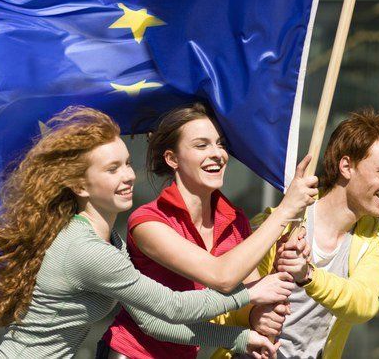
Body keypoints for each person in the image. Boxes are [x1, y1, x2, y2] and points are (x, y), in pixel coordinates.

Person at [0, 106, 296, 358]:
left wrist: (239, 338)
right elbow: (173, 307)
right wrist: (250, 293)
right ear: (80, 186)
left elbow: (154, 323)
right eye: (112, 169)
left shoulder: (112, 244)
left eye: (126, 163)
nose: (128, 176)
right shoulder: (88, 251)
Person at [101, 103, 320, 359]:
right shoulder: (148, 223)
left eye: (220, 144)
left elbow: (248, 293)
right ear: (172, 159)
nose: (217, 154)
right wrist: (285, 210)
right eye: (201, 145)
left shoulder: (234, 220)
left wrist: (257, 313)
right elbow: (221, 276)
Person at [219, 108, 379, 359]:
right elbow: (223, 305)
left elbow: (363, 304)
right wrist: (252, 315)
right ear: (346, 166)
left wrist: (308, 275)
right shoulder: (279, 223)